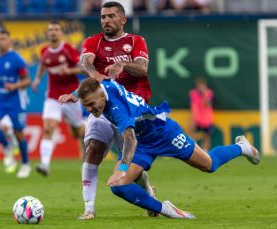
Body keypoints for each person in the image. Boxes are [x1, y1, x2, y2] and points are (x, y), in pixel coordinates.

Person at [61, 77, 260, 218]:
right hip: (143, 143)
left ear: (102, 98)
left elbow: (129, 140)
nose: (89, 110)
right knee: (118, 187)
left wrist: (122, 168)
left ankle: (241, 147)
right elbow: (94, 81)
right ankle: (166, 209)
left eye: (91, 104)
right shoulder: (101, 87)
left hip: (163, 133)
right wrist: (74, 95)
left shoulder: (116, 108)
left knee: (209, 164)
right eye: (86, 105)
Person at [77, 1, 153, 219]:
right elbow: (84, 63)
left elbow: (142, 69)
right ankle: (89, 208)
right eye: (103, 17)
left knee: (130, 165)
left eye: (111, 16)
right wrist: (95, 74)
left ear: (123, 19)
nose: (106, 20)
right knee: (93, 149)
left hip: (129, 110)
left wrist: (123, 65)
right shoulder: (93, 42)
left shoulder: (136, 41)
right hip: (103, 107)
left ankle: (147, 191)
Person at [31, 21, 85, 176]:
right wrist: (36, 79)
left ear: (61, 33)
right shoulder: (44, 51)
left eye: (56, 29)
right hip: (53, 97)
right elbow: (42, 65)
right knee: (48, 128)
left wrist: (68, 70)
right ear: (48, 33)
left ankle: (85, 153)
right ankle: (44, 165)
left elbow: (82, 67)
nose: (53, 32)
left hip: (70, 97)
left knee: (77, 132)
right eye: (50, 30)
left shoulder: (68, 49)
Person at [0, 29, 32, 178]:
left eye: (3, 39)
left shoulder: (17, 59)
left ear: (9, 41)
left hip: (14, 101)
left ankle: (25, 164)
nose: (0, 42)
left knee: (19, 133)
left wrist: (14, 86)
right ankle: (7, 146)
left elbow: (27, 80)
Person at [189, 77, 214, 152]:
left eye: (202, 86)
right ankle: (194, 148)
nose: (200, 88)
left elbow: (208, 104)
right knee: (192, 131)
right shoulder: (192, 93)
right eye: (199, 86)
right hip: (197, 118)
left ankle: (205, 150)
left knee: (207, 135)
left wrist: (204, 94)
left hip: (207, 119)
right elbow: (193, 105)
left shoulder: (209, 93)